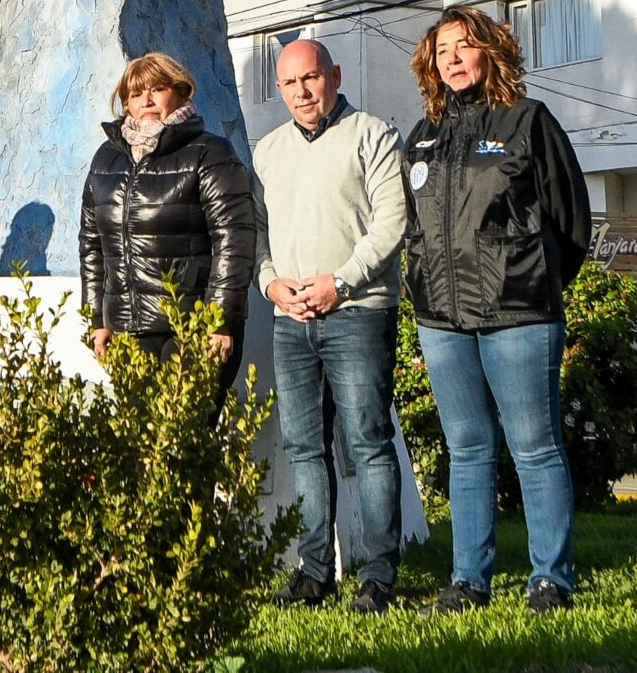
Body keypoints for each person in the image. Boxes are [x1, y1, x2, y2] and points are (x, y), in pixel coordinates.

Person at [403, 5, 592, 615]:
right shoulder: (424, 133)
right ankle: (468, 581)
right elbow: (413, 225)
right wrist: (418, 278)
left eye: (464, 46)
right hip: (441, 320)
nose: (452, 58)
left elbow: (571, 223)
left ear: (490, 51)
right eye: (442, 50)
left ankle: (550, 581)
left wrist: (532, 278)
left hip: (519, 313)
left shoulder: (528, 122)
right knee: (468, 449)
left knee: (534, 447)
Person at [253, 37, 410, 615]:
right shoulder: (267, 151)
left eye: (312, 78)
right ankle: (315, 571)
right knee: (303, 449)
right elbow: (257, 235)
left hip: (357, 314)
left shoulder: (373, 135)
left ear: (334, 76)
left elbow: (392, 224)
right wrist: (272, 283)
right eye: (291, 83)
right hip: (290, 321)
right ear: (279, 89)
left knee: (367, 445)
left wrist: (338, 283)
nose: (303, 91)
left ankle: (378, 575)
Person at [77, 51, 254, 385]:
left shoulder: (211, 153)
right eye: (135, 93)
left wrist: (220, 320)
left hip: (191, 328)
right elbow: (91, 245)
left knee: (187, 435)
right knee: (140, 437)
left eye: (156, 89)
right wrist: (97, 318)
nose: (146, 99)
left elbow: (234, 241)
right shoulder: (106, 160)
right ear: (125, 104)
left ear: (180, 92)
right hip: (127, 330)